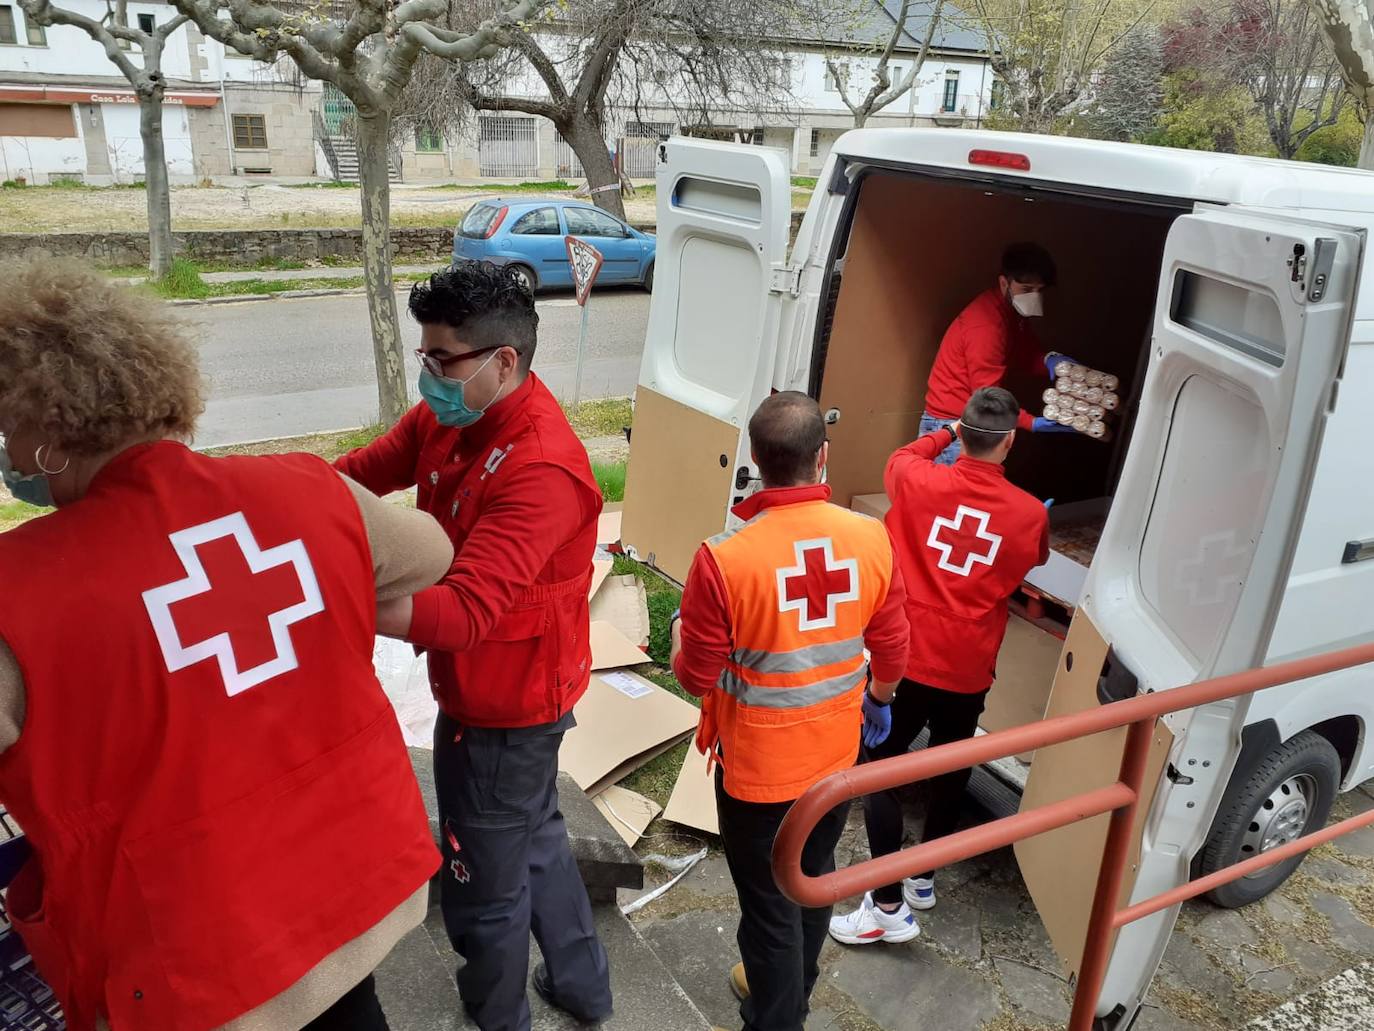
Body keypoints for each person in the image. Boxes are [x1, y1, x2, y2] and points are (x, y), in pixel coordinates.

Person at [0, 258, 453, 1030]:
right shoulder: (308, 488)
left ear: (45, 431)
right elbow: (430, 552)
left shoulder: (19, 589)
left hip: (195, 970)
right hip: (352, 900)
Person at [336, 261, 612, 1031]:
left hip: (507, 705)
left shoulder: (543, 468)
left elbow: (462, 611)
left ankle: (497, 1015)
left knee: (484, 885)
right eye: (425, 355)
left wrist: (338, 598)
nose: (428, 375)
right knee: (539, 839)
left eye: (443, 360)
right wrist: (285, 510)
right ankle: (586, 989)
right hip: (495, 687)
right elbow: (359, 476)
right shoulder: (450, 415)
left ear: (504, 362)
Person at [670, 392, 910, 1031]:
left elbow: (695, 675)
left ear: (755, 457)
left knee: (769, 907)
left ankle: (776, 1019)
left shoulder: (724, 558)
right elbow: (892, 645)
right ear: (823, 457)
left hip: (757, 772)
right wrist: (879, 699)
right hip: (837, 757)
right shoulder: (870, 537)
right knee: (813, 880)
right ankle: (792, 996)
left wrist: (676, 634)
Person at [829, 387, 1049, 945]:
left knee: (881, 765)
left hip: (904, 657)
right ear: (1010, 442)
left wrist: (946, 430)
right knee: (953, 761)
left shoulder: (916, 478)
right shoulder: (1026, 513)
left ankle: (885, 902)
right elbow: (1035, 559)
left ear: (964, 435)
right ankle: (924, 875)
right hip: (969, 663)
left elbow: (904, 455)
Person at [921, 242, 1079, 465]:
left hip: (971, 418)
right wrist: (1031, 422)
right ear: (1004, 283)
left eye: (1039, 290)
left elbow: (1023, 352)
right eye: (1026, 289)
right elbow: (988, 398)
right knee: (954, 498)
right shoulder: (986, 328)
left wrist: (1049, 360)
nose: (1034, 297)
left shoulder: (1009, 311)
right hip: (954, 426)